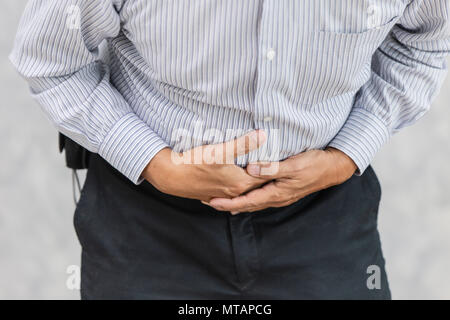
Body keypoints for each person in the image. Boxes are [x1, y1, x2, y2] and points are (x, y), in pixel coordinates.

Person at [10, 0, 450, 299]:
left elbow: (424, 46)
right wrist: (154, 163)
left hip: (322, 217)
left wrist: (345, 156)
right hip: (147, 221)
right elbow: (51, 61)